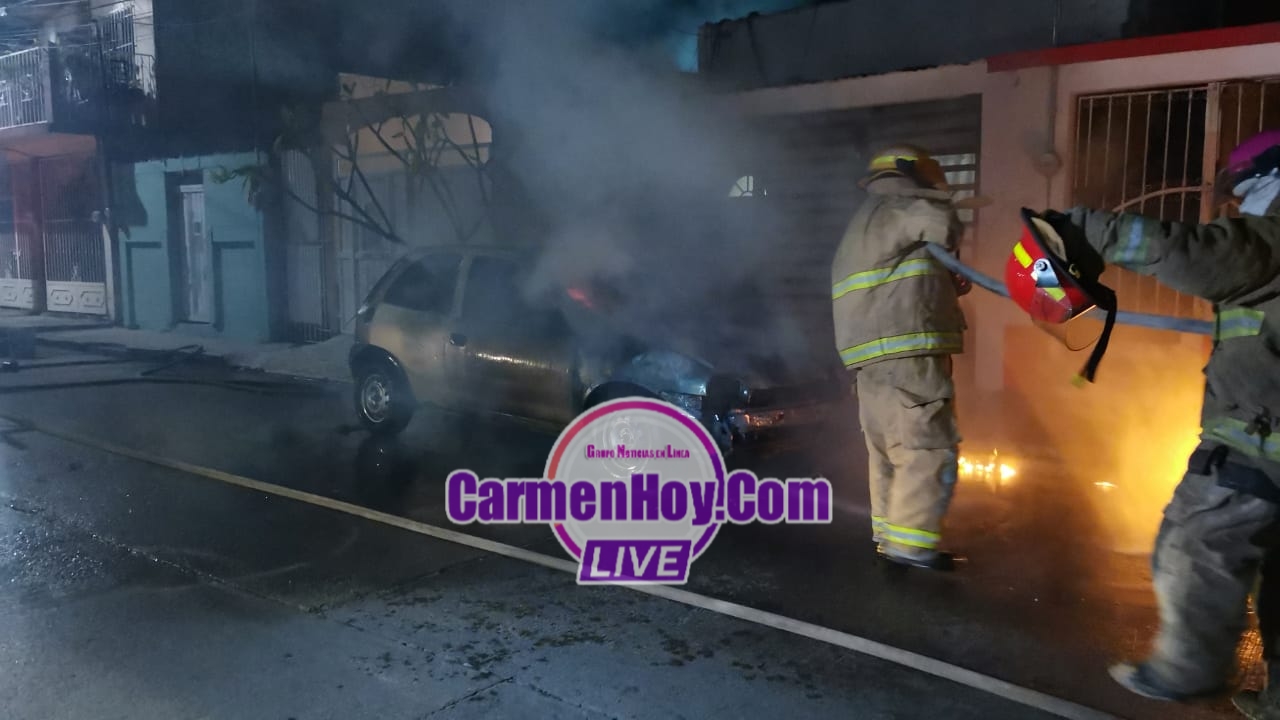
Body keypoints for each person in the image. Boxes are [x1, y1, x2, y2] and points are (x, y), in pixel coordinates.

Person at [1044, 129, 1280, 716]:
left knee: (1194, 544)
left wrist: (1089, 229)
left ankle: (1186, 672)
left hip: (1261, 441)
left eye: (1244, 193)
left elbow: (1199, 255)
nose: (1238, 208)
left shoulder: (1274, 236)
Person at [831, 144, 972, 572]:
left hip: (872, 362)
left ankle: (890, 539)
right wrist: (944, 204)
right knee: (927, 448)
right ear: (913, 173)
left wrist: (945, 282)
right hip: (907, 356)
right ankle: (911, 546)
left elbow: (899, 278)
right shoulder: (901, 205)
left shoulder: (865, 222)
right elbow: (942, 226)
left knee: (889, 453)